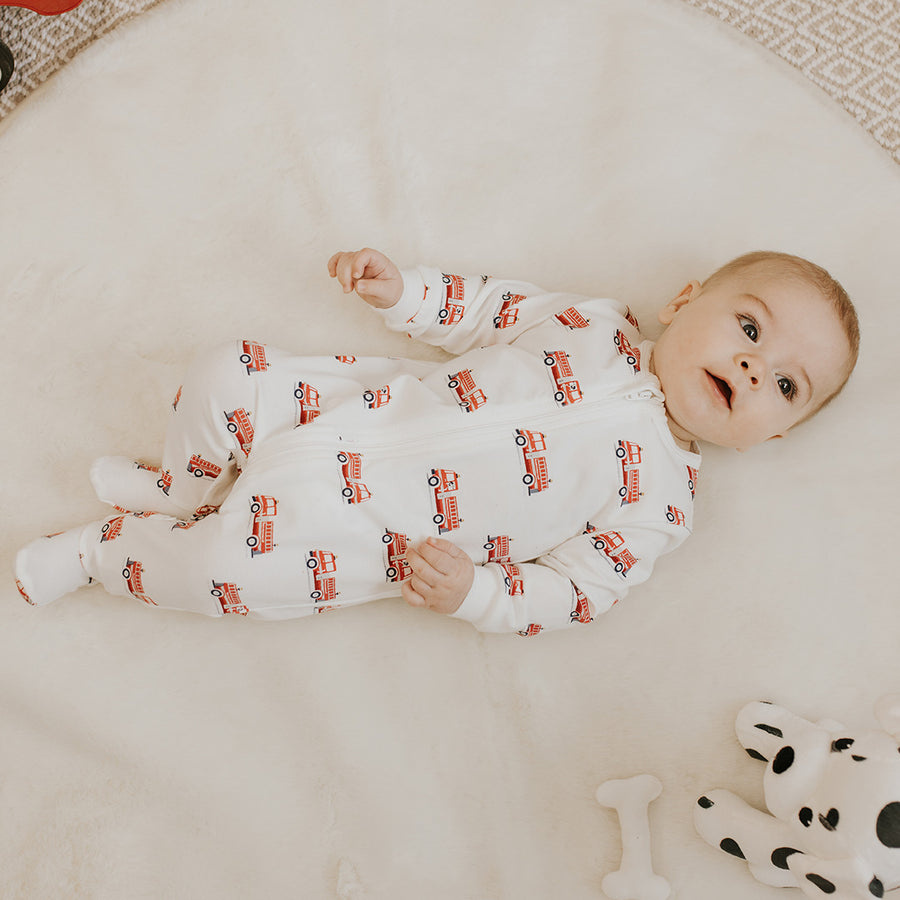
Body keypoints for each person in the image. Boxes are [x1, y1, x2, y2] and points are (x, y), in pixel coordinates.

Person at [14, 247, 859, 635]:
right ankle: (182, 487)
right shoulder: (590, 323)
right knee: (223, 370)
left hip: (354, 539)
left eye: (785, 384)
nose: (753, 368)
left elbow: (578, 592)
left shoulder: (661, 503)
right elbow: (486, 310)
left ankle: (101, 551)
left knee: (218, 573)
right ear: (683, 300)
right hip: (343, 408)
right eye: (749, 326)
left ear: (771, 433)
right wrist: (403, 291)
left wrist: (480, 596)